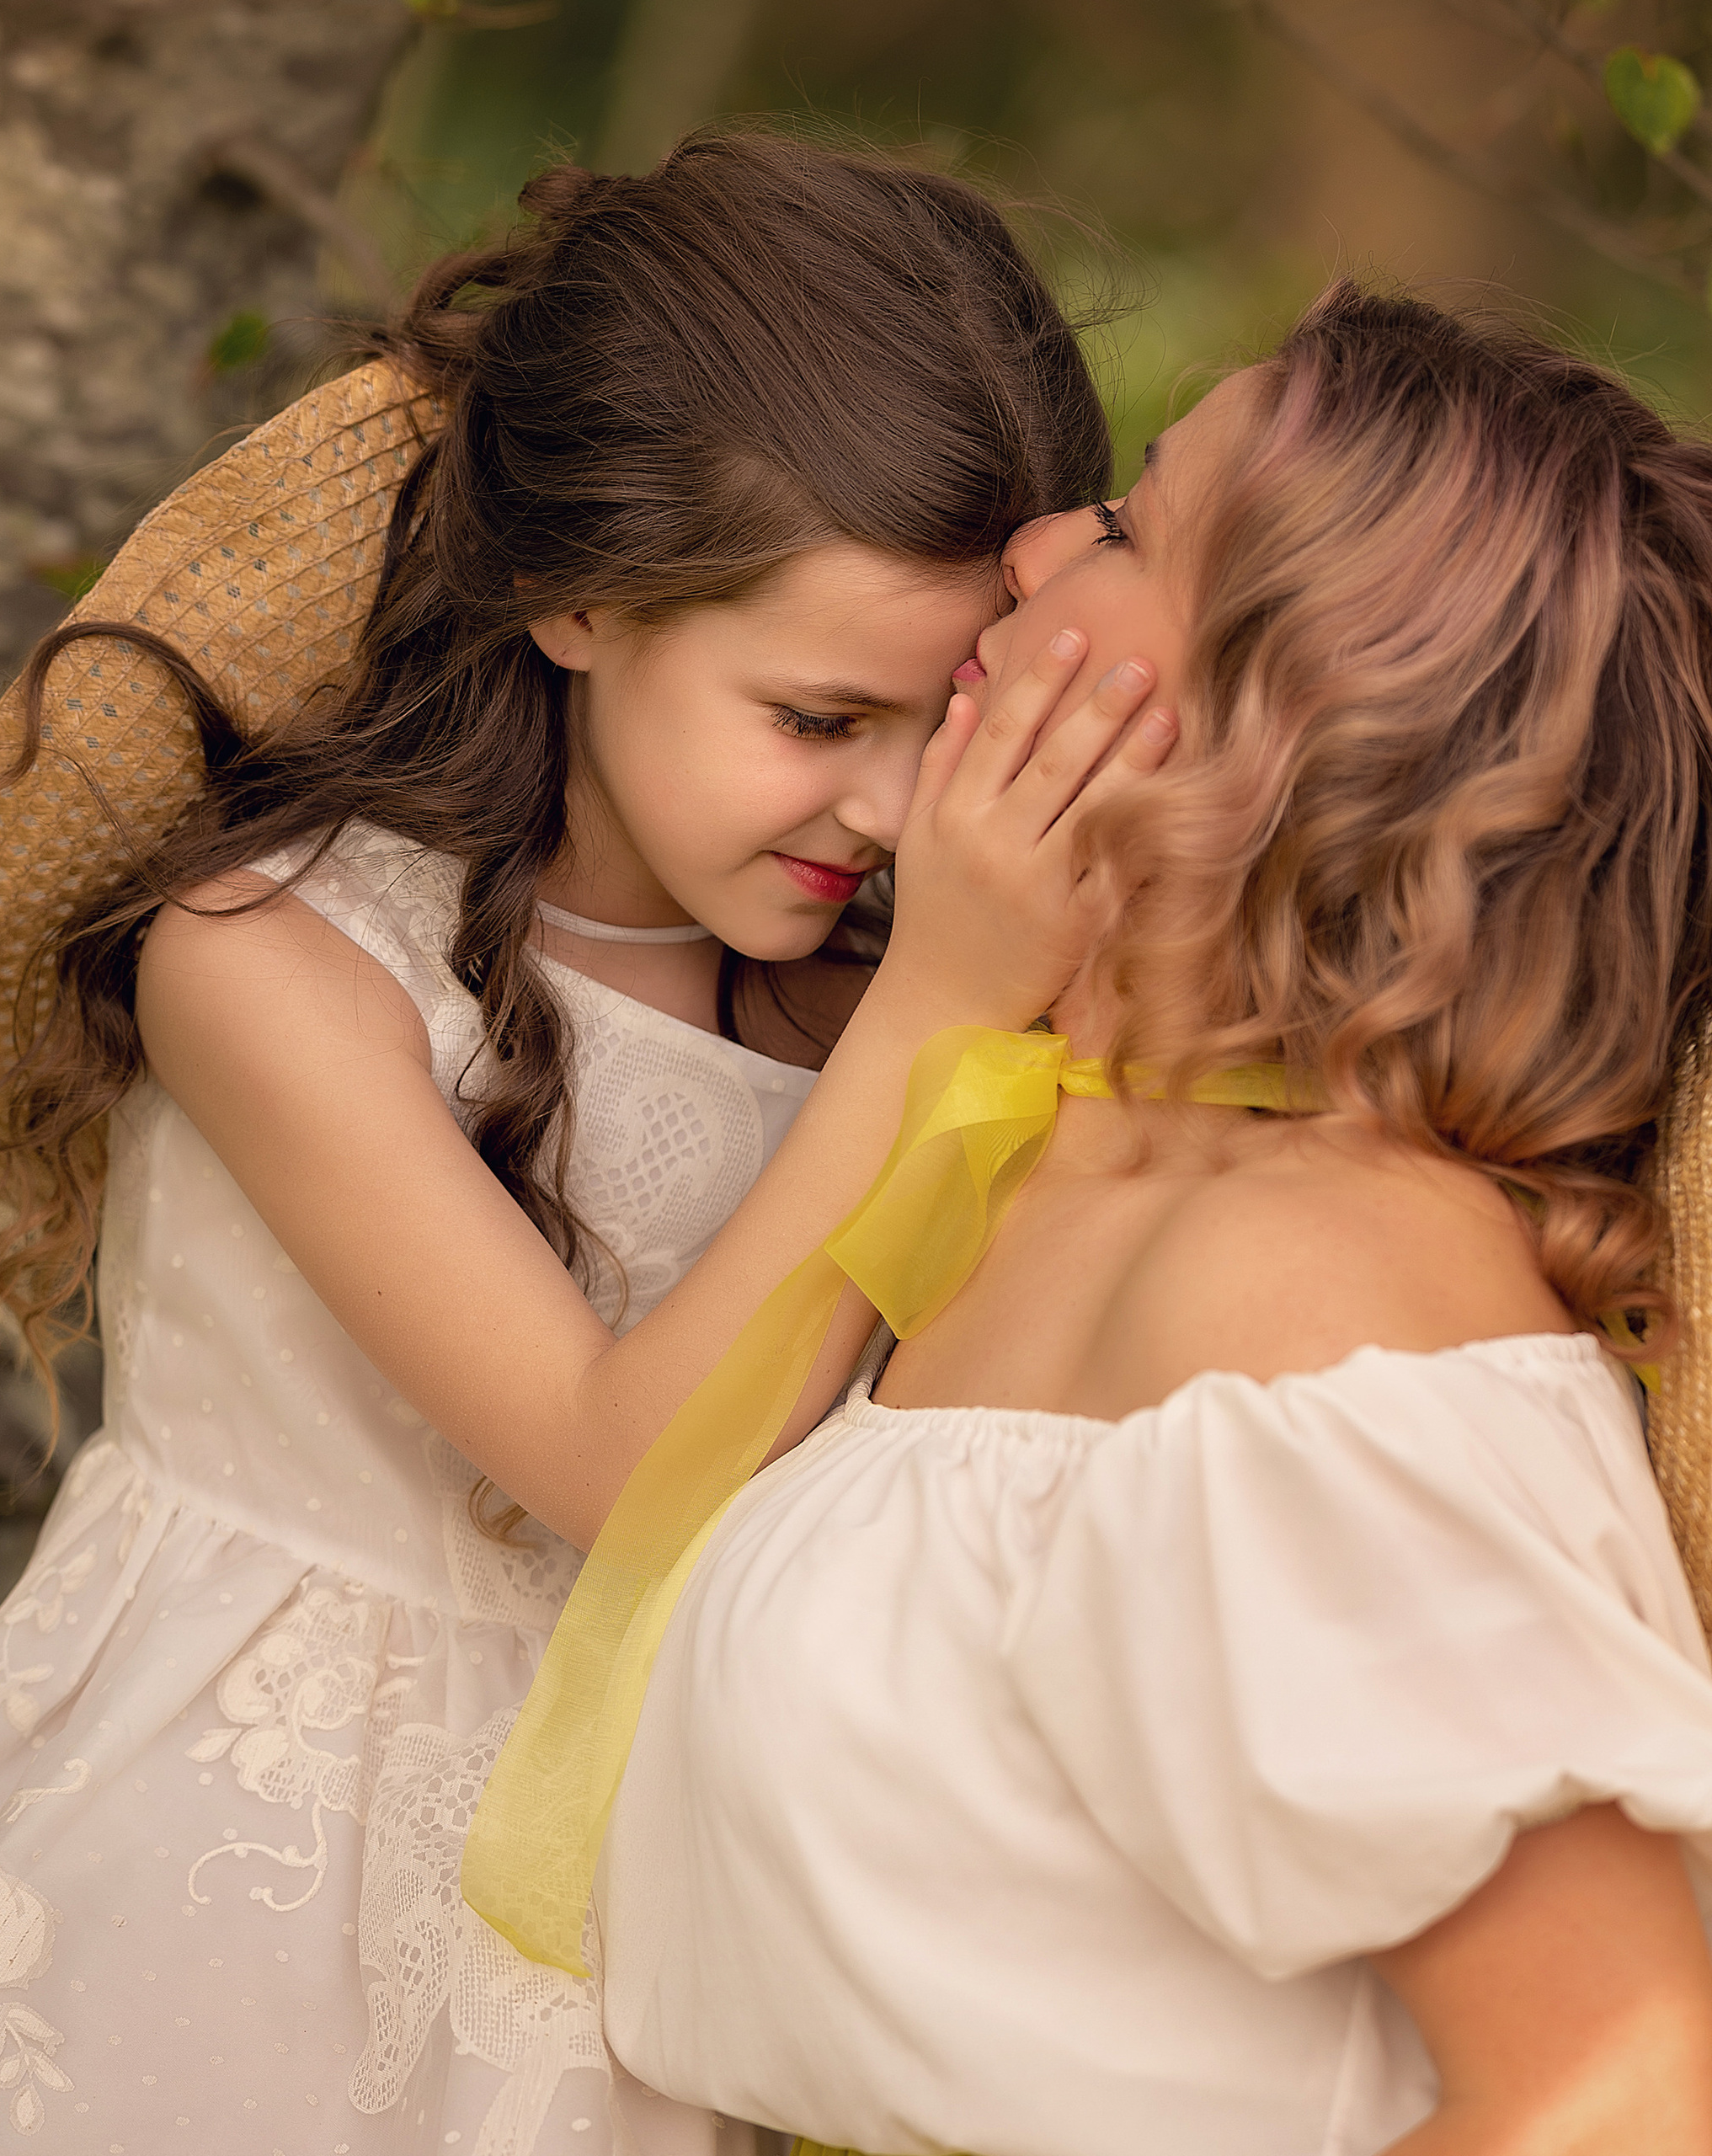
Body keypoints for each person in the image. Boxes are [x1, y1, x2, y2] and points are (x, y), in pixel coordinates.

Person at [0, 131, 1173, 2156]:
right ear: (582, 598)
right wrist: (949, 1000)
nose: (884, 809)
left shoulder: (883, 975)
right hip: (214, 1894)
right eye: (814, 714)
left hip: (648, 1938)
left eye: (940, 725)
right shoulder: (271, 958)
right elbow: (610, 1461)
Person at [592, 284, 1712, 2155]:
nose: (1028, 543)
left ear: (1282, 716)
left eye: (1124, 527)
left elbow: (1628, 2080)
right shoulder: (1039, 1147)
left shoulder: (1312, 1292)